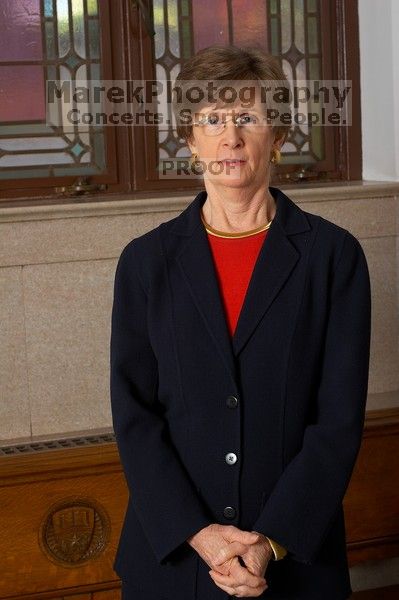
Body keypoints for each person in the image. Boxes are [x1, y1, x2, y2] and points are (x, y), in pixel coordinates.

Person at [110, 45, 371, 600]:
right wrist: (201, 535)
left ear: (276, 136)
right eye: (212, 120)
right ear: (189, 139)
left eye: (247, 118)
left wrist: (267, 542)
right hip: (174, 567)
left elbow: (338, 421)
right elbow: (135, 416)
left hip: (295, 564)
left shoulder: (333, 257)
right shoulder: (145, 263)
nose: (230, 139)